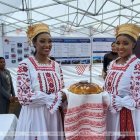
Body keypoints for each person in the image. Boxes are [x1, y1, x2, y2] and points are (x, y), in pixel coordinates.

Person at [15, 23, 66, 140]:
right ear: (34, 43)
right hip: (35, 116)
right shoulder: (25, 65)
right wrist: (54, 98)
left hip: (54, 117)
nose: (47, 45)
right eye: (42, 41)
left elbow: (62, 89)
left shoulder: (56, 66)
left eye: (50, 41)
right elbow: (24, 97)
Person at [104, 23, 140, 140]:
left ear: (133, 44)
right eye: (118, 43)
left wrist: (120, 101)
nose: (120, 47)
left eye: (125, 43)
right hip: (109, 112)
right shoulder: (113, 64)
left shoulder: (137, 65)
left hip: (127, 114)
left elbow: (138, 100)